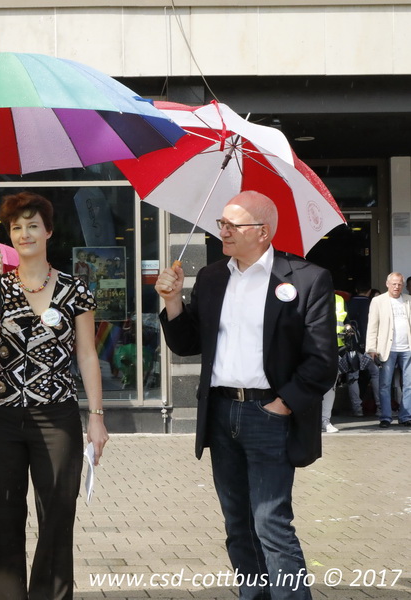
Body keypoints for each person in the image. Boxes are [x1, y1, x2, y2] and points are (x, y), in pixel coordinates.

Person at [155, 191, 336, 600]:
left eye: (233, 225)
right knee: (237, 525)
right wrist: (171, 302)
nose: (223, 231)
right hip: (220, 412)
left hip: (268, 413)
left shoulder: (305, 278)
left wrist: (281, 404)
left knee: (271, 523)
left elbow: (322, 361)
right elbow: (186, 345)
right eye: (221, 223)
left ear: (264, 232)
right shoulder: (213, 276)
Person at [0, 191, 109, 600]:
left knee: (57, 517)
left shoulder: (74, 288)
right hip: (0, 417)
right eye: (16, 227)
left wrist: (97, 416)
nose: (24, 233)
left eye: (33, 225)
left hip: (57, 418)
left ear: (49, 231)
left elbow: (87, 355)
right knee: (4, 516)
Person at [365, 272, 411, 428]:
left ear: (403, 285)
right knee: (385, 384)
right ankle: (386, 416)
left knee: (409, 384)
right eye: (394, 284)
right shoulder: (378, 301)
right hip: (387, 349)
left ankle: (405, 416)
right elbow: (372, 326)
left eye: (399, 284)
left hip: (408, 348)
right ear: (387, 284)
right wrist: (371, 348)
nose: (397, 287)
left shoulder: (408, 300)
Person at [345, 284, 379, 416]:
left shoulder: (348, 304)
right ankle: (380, 408)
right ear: (369, 291)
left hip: (353, 346)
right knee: (376, 374)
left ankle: (357, 409)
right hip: (371, 346)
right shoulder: (373, 304)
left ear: (356, 289)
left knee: (353, 377)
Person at [321, 293, 347, 433]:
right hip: (313, 347)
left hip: (335, 347)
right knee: (312, 385)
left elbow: (345, 320)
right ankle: (312, 421)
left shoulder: (339, 299)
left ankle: (325, 420)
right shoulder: (308, 293)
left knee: (331, 386)